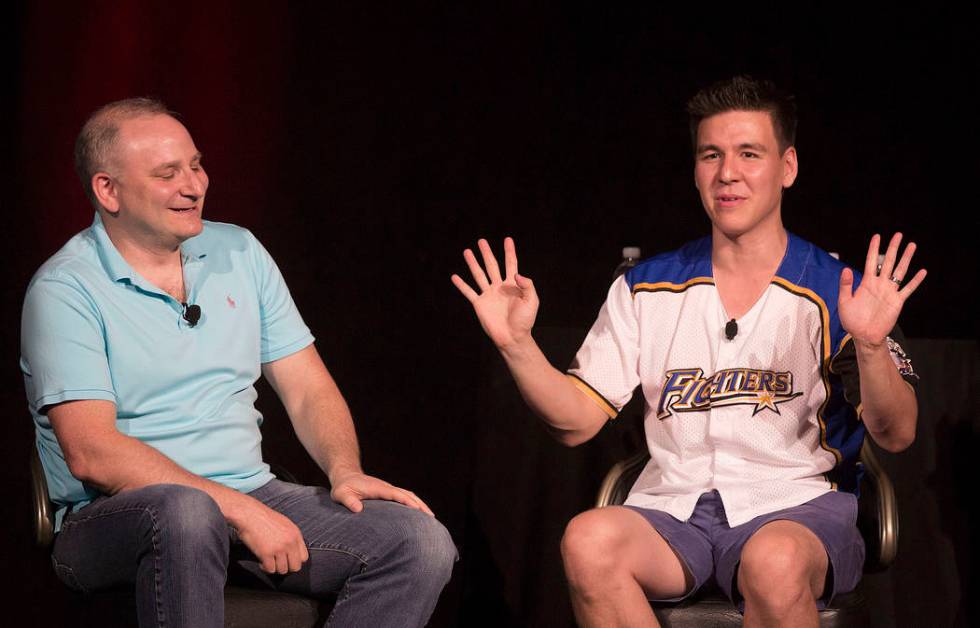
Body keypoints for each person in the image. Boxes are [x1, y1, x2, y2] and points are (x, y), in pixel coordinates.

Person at [452, 76, 924, 628]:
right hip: (673, 511)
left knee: (773, 563)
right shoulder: (648, 286)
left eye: (750, 153)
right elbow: (575, 421)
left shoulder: (834, 288)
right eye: (711, 155)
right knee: (588, 541)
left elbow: (898, 432)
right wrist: (517, 345)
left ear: (787, 167)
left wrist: (869, 345)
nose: (728, 173)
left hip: (796, 509)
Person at [22, 98, 456, 628]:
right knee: (185, 512)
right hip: (116, 517)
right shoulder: (64, 289)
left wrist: (345, 471)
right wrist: (240, 510)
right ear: (107, 190)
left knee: (418, 541)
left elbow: (306, 387)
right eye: (167, 174)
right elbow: (93, 453)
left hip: (249, 489)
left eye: (196, 165)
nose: (194, 185)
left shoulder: (240, 252)